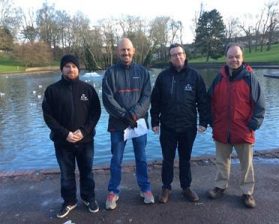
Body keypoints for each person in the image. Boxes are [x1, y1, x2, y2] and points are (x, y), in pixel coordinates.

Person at [207, 43, 265, 208]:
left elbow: (260, 104)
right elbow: (209, 100)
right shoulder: (219, 78)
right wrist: (212, 121)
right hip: (222, 129)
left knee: (246, 164)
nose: (234, 60)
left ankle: (247, 192)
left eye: (237, 56)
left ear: (242, 58)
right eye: (231, 57)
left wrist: (254, 123)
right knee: (221, 161)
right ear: (226, 58)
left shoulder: (250, 78)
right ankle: (220, 186)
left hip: (243, 129)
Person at [42, 54, 101, 218]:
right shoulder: (52, 90)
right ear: (62, 69)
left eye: (74, 66)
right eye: (67, 66)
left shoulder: (87, 89)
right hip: (62, 142)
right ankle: (69, 201)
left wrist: (84, 131)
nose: (71, 69)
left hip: (86, 140)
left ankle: (89, 198)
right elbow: (48, 116)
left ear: (78, 69)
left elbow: (95, 113)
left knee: (87, 171)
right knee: (66, 173)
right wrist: (65, 133)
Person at [150, 43, 209, 203]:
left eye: (180, 53)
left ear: (185, 55)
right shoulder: (163, 77)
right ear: (170, 58)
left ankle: (186, 187)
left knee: (185, 158)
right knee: (167, 159)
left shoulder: (195, 76)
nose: (178, 56)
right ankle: (166, 187)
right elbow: (155, 101)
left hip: (188, 126)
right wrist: (154, 121)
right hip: (168, 126)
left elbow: (203, 101)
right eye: (174, 54)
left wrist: (204, 121)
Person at [102, 38, 154, 210]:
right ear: (118, 52)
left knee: (141, 158)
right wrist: (125, 115)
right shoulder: (110, 73)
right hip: (118, 124)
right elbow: (107, 99)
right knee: (116, 159)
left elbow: (147, 97)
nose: (126, 53)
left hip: (138, 123)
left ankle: (145, 188)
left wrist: (134, 114)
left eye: (128, 50)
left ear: (134, 51)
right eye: (122, 50)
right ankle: (113, 191)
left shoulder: (143, 72)